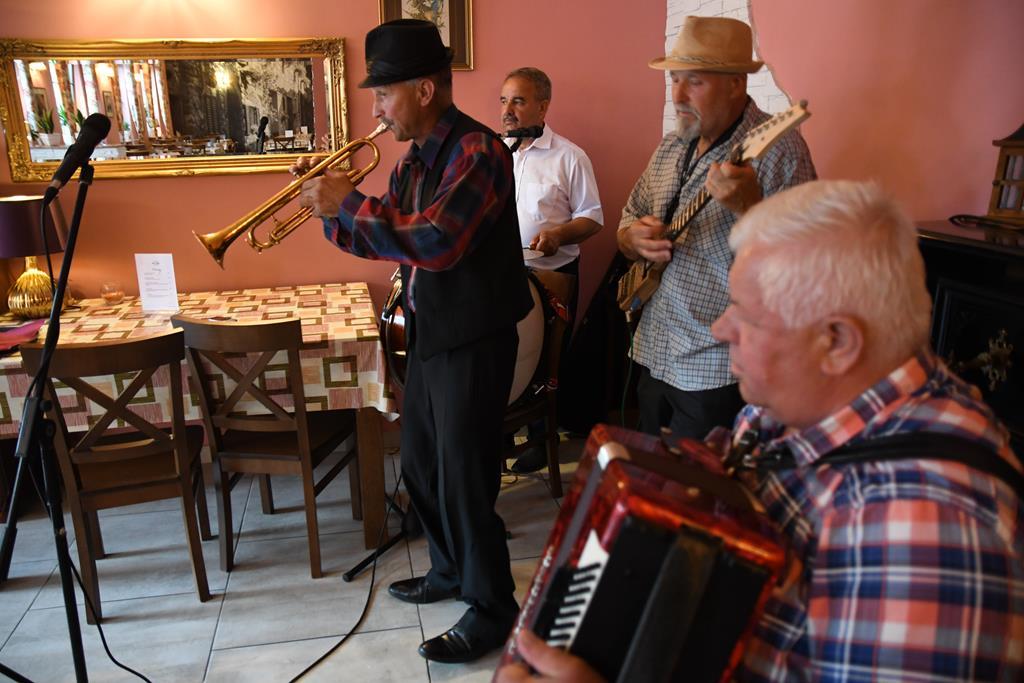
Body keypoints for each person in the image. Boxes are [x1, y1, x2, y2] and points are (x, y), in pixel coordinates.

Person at [495, 180, 1024, 682]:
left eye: (745, 314)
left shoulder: (924, 533)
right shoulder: (798, 402)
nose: (721, 329)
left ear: (837, 342)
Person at [294, 19, 533, 664]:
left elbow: (437, 241)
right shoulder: (414, 160)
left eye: (384, 94)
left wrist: (349, 203)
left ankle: (492, 609)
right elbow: (385, 240)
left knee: (465, 478)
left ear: (425, 90)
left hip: (476, 338)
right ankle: (449, 571)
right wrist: (327, 210)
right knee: (422, 465)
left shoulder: (480, 152)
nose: (376, 109)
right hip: (433, 333)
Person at [617, 15, 816, 441]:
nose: (678, 95)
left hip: (718, 367)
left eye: (695, 82)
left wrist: (750, 208)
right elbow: (629, 215)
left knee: (700, 482)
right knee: (653, 473)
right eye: (674, 79)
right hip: (654, 349)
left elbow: (804, 268)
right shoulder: (670, 145)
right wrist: (632, 238)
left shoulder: (781, 150)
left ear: (736, 84)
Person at [499, 66, 604, 473]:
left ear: (543, 107)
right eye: (504, 100)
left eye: (518, 101)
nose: (508, 110)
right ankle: (501, 435)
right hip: (501, 275)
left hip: (551, 276)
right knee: (503, 357)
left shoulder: (570, 156)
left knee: (544, 363)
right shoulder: (493, 153)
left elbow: (592, 218)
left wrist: (559, 234)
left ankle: (542, 442)